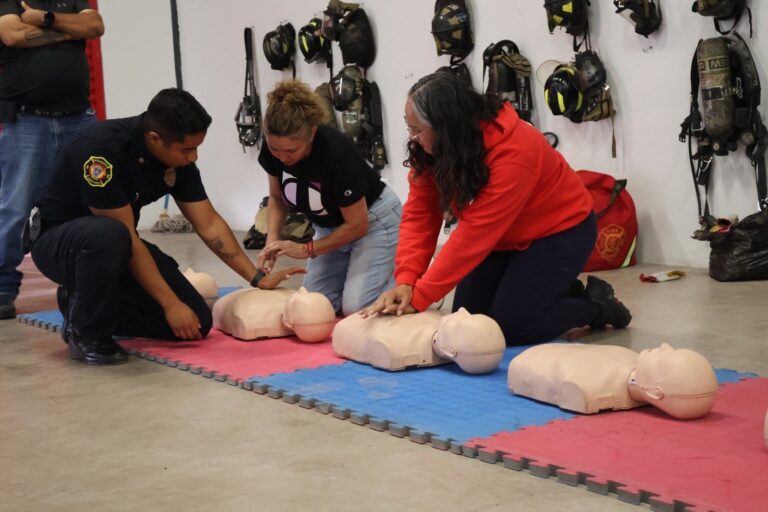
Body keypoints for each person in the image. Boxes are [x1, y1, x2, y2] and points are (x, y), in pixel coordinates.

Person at [31, 88, 301, 365]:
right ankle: (86, 333)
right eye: (187, 149)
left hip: (115, 247)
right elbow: (124, 236)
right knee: (111, 235)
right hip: (61, 246)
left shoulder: (177, 159)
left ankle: (79, 304)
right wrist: (170, 304)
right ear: (154, 139)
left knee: (196, 323)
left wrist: (256, 278)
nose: (193, 157)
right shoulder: (99, 151)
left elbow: (208, 223)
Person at [364, 71, 631, 345]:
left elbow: (473, 237)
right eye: (409, 127)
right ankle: (553, 292)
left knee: (512, 328)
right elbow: (420, 215)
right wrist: (406, 280)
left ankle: (596, 305)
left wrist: (420, 297)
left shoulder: (514, 152)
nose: (412, 138)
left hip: (560, 233)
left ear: (446, 127)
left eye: (416, 129)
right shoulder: (435, 149)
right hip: (503, 239)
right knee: (469, 320)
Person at [256, 79, 401, 316]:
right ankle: (359, 274)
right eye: (275, 150)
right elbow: (277, 197)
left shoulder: (336, 153)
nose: (282, 157)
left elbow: (358, 225)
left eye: (292, 151)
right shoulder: (274, 146)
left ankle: (412, 278)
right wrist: (271, 243)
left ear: (311, 133)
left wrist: (305, 250)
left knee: (358, 307)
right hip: (329, 227)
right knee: (315, 305)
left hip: (374, 221)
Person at [0, 0, 104, 320]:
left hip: (79, 119)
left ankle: (92, 279)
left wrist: (44, 19)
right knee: (14, 209)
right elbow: (11, 36)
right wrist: (66, 27)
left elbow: (95, 26)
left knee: (96, 201)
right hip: (28, 121)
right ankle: (3, 287)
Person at [507, 342, 719, 420]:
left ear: (655, 392)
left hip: (530, 360)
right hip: (542, 350)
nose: (664, 345)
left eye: (664, 358)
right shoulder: (629, 356)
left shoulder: (589, 386)